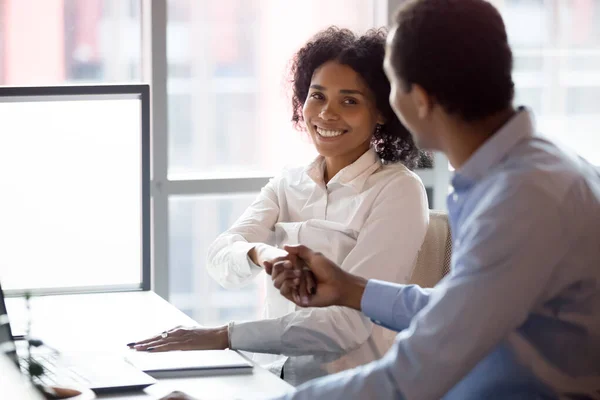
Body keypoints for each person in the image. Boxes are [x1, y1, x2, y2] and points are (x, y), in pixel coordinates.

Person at [268, 0, 600, 399]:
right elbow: (463, 309)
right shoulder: (526, 170)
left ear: (420, 99)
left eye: (391, 87)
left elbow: (411, 376)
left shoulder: (521, 200)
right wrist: (349, 288)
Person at [128, 27, 430, 386]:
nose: (327, 114)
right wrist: (263, 254)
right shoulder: (289, 183)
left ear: (381, 112)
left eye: (349, 101)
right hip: (269, 377)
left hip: (350, 386)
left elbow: (345, 326)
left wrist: (225, 336)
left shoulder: (398, 190)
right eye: (317, 96)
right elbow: (220, 259)